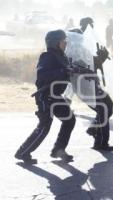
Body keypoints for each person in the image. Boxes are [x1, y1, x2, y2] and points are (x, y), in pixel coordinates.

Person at [15, 30, 76, 164]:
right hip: (45, 96)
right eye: (63, 41)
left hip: (56, 95)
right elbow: (43, 76)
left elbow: (66, 70)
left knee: (70, 119)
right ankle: (23, 153)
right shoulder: (47, 56)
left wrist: (75, 70)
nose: (65, 43)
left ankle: (58, 150)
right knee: (44, 126)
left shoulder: (61, 56)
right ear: (55, 43)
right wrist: (63, 71)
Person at [72, 17, 113, 151]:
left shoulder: (84, 44)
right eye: (89, 24)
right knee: (105, 108)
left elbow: (91, 63)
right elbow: (85, 66)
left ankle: (95, 133)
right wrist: (99, 59)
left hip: (90, 84)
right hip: (86, 86)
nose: (91, 27)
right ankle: (101, 142)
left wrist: (101, 57)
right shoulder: (76, 47)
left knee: (108, 107)